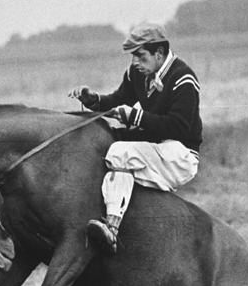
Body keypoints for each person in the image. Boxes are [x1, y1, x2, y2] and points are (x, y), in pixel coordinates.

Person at [70, 22, 202, 252]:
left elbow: (179, 128)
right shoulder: (137, 74)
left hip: (180, 156)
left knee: (120, 152)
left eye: (140, 56)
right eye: (133, 57)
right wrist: (93, 99)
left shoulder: (184, 79)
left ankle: (111, 227)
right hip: (154, 149)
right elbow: (117, 100)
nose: (135, 63)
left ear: (159, 53)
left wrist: (136, 117)